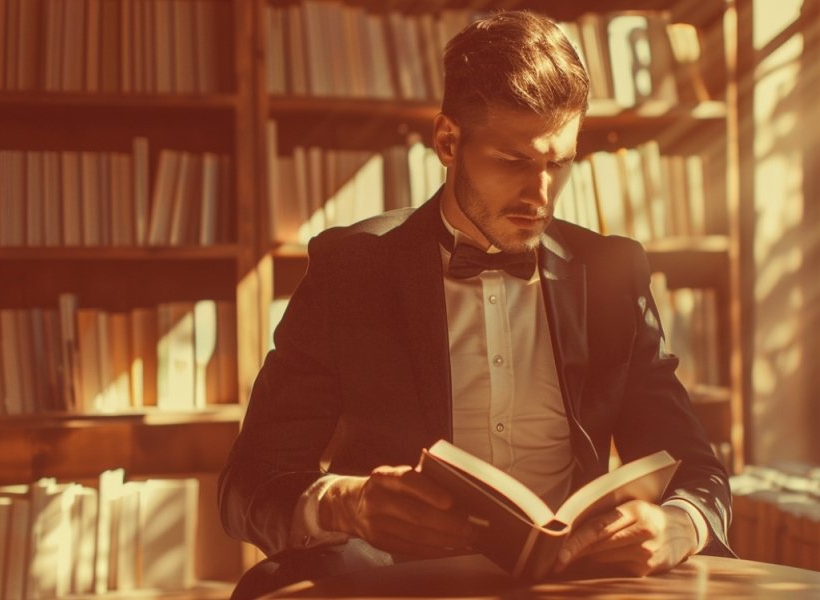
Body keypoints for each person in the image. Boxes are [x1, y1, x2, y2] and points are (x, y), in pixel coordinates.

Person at [218, 10, 734, 582]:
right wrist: (347, 503)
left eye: (558, 164)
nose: (540, 195)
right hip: (400, 585)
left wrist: (679, 525)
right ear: (447, 140)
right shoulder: (351, 271)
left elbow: (698, 471)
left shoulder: (613, 274)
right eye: (513, 162)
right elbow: (249, 480)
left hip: (573, 586)